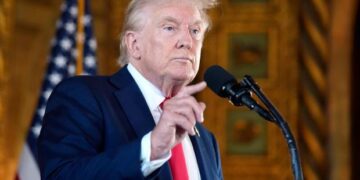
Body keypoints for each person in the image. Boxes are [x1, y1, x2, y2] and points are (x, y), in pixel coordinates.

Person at [37, 0, 223, 179]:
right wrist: (151, 149)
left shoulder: (205, 139)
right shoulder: (82, 96)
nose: (187, 41)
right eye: (169, 28)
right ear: (134, 44)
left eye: (195, 30)